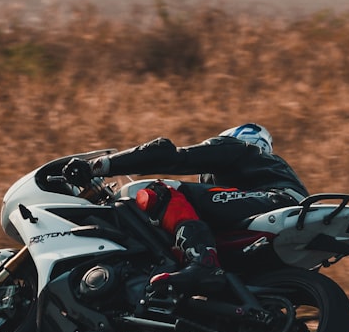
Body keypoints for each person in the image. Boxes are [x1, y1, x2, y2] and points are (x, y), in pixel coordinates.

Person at [61, 124, 309, 295]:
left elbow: (168, 155)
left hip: (276, 202)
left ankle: (202, 262)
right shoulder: (264, 171)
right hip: (282, 218)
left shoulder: (237, 148)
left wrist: (98, 166)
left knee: (162, 192)